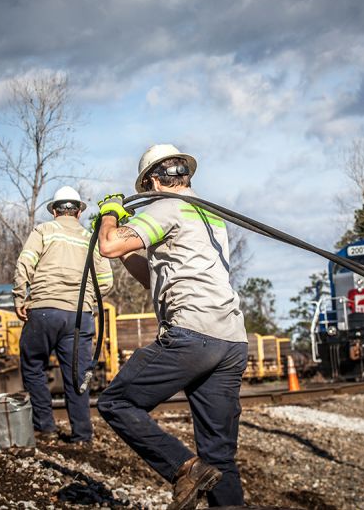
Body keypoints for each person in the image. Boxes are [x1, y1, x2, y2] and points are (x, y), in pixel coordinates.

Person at [96, 144, 248, 510]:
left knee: (116, 401)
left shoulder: (165, 207)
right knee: (219, 456)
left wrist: (109, 215)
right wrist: (126, 246)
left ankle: (184, 469)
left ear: (151, 181)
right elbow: (155, 277)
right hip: (230, 341)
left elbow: (108, 245)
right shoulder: (210, 216)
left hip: (193, 335)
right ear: (185, 175)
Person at [13, 186, 113, 443]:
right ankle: (82, 435)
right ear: (79, 211)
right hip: (79, 317)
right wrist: (88, 298)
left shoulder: (44, 231)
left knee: (33, 364)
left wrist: (19, 297)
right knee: (77, 375)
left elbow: (25, 262)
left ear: (55, 210)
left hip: (44, 310)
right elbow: (106, 281)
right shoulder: (91, 239)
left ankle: (45, 427)